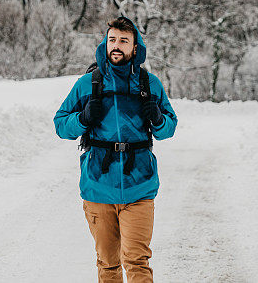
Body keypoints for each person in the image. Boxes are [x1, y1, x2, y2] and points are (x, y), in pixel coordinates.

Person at [54, 16, 178, 283]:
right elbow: (61, 125)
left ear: (135, 47)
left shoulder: (149, 84)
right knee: (108, 264)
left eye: (124, 41)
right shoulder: (88, 84)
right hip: (98, 186)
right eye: (112, 40)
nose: (117, 46)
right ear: (105, 44)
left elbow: (169, 127)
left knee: (137, 261)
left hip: (140, 186)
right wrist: (83, 118)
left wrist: (157, 118)